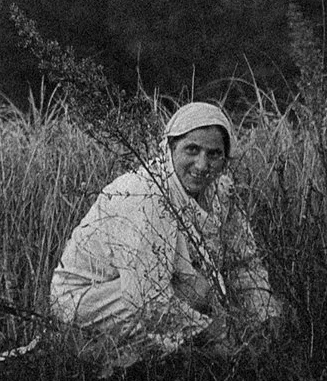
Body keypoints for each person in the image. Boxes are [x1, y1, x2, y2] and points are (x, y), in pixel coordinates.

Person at [48, 100, 284, 367]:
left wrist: (264, 314)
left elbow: (244, 261)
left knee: (215, 304)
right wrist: (214, 334)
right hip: (91, 298)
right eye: (192, 150)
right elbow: (145, 297)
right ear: (170, 148)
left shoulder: (220, 193)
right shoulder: (143, 193)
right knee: (200, 341)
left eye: (214, 154)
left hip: (160, 290)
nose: (202, 164)